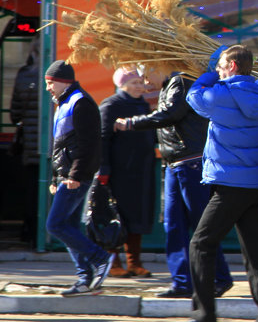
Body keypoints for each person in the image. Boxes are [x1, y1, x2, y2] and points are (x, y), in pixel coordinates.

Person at [172, 45, 258, 322]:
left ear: (232, 66)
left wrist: (206, 75)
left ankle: (205, 315)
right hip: (255, 184)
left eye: (221, 65)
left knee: (200, 244)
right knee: (255, 254)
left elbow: (194, 98)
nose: (219, 69)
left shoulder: (222, 94)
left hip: (230, 184)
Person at [116, 65, 233, 298]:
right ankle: (182, 282)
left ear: (158, 66)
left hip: (189, 161)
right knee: (174, 224)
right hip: (175, 162)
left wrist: (131, 123)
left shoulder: (180, 82)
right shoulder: (169, 85)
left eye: (147, 75)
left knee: (199, 224)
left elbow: (170, 114)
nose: (146, 82)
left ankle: (218, 277)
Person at [43, 60, 115, 297]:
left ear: (64, 81)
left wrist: (74, 175)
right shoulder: (64, 102)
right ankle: (85, 279)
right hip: (67, 175)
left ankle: (100, 258)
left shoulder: (80, 102)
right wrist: (56, 177)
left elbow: (88, 145)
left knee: (55, 224)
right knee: (69, 225)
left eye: (50, 83)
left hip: (77, 176)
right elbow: (60, 145)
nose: (48, 88)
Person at [98, 67, 156, 278]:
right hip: (118, 172)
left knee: (137, 215)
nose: (139, 87)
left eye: (141, 83)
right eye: (134, 83)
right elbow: (102, 138)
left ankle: (134, 262)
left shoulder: (143, 105)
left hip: (141, 171)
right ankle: (112, 262)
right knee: (116, 216)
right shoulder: (112, 105)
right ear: (122, 85)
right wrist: (104, 168)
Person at [8, 44, 42, 244]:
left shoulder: (24, 75)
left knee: (32, 189)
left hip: (30, 144)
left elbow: (14, 114)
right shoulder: (63, 77)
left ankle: (29, 231)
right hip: (55, 145)